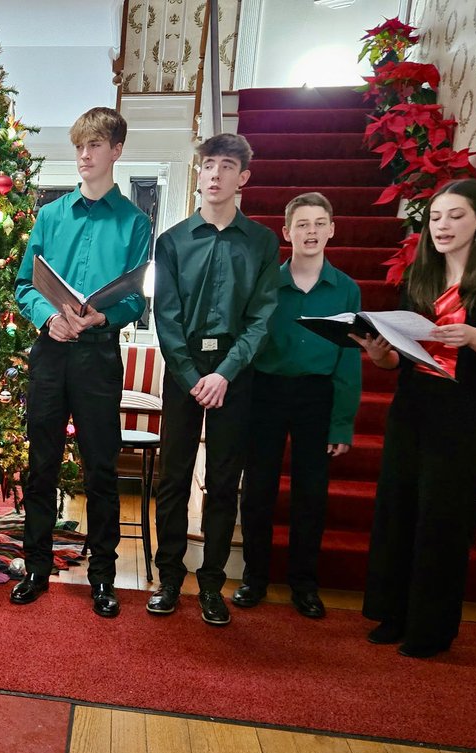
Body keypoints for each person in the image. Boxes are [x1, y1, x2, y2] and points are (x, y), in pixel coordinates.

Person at [356, 179, 476, 658]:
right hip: (413, 405)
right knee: (398, 510)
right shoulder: (421, 274)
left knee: (442, 518)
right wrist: (381, 354)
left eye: (455, 216)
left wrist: (472, 335)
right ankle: (393, 614)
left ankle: (430, 629)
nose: (442, 226)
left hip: (463, 409)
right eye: (435, 217)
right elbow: (401, 355)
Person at [12, 106, 151, 618]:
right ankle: (36, 568)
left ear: (116, 151)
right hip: (51, 353)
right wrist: (49, 318)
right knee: (41, 465)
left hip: (98, 355)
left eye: (94, 146)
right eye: (79, 147)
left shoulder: (136, 222)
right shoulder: (50, 216)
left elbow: (136, 298)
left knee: (101, 470)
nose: (84, 155)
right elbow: (24, 285)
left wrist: (102, 316)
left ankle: (103, 577)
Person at [149, 133, 279, 627]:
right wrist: (190, 376)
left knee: (224, 483)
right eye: (208, 165)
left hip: (235, 373)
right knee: (173, 478)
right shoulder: (172, 242)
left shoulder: (263, 242)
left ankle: (210, 584)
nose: (215, 174)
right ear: (198, 174)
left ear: (243, 177)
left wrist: (224, 373)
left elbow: (262, 318)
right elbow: (166, 316)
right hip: (184, 369)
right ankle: (167, 578)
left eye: (226, 166)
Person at [233, 192, 361, 619]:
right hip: (267, 391)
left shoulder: (347, 289)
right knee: (259, 489)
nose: (311, 231)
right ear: (286, 232)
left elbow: (349, 359)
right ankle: (254, 577)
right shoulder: (267, 283)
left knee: (311, 492)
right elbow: (249, 341)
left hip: (316, 396)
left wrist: (341, 423)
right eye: (302, 224)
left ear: (332, 230)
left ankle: (304, 583)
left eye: (319, 223)